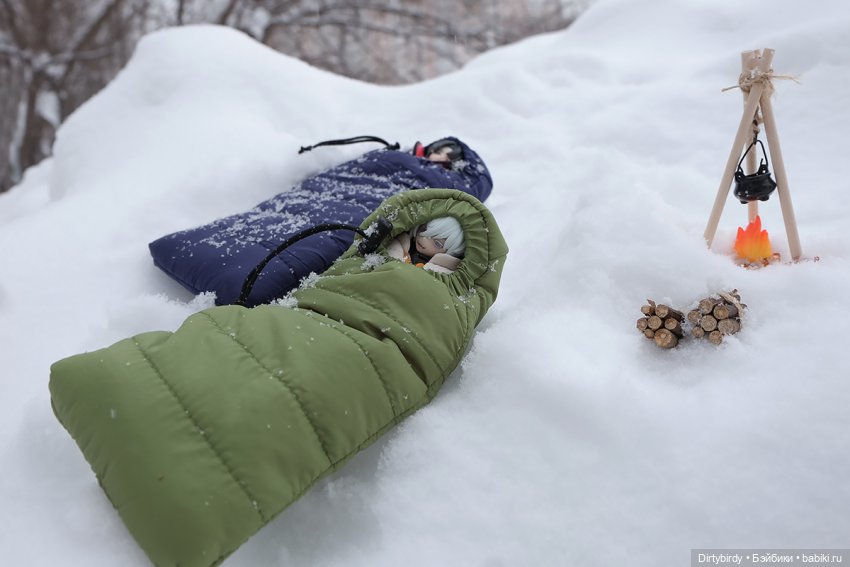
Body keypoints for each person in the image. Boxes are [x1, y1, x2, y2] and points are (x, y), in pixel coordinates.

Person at [386, 216, 465, 274]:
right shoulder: (401, 243)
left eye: (437, 243)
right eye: (423, 230)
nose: (424, 240)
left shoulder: (443, 269)